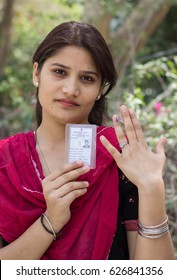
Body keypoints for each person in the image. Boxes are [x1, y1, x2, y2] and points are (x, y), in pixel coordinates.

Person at [0, 21, 175, 260]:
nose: (71, 89)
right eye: (59, 72)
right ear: (36, 73)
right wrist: (51, 221)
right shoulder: (5, 161)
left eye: (87, 78)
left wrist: (152, 187)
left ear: (101, 89)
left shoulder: (120, 155)